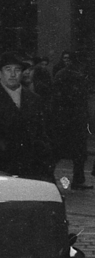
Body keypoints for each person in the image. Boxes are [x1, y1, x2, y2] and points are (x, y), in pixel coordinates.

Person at [0, 52, 54, 181]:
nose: (13, 74)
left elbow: (43, 135)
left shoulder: (34, 99)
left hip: (31, 172)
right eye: (8, 69)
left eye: (17, 70)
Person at [50, 52, 90, 189]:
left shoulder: (64, 74)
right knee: (72, 152)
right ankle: (77, 180)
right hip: (70, 120)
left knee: (67, 152)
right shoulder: (72, 75)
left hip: (68, 119)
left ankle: (77, 179)